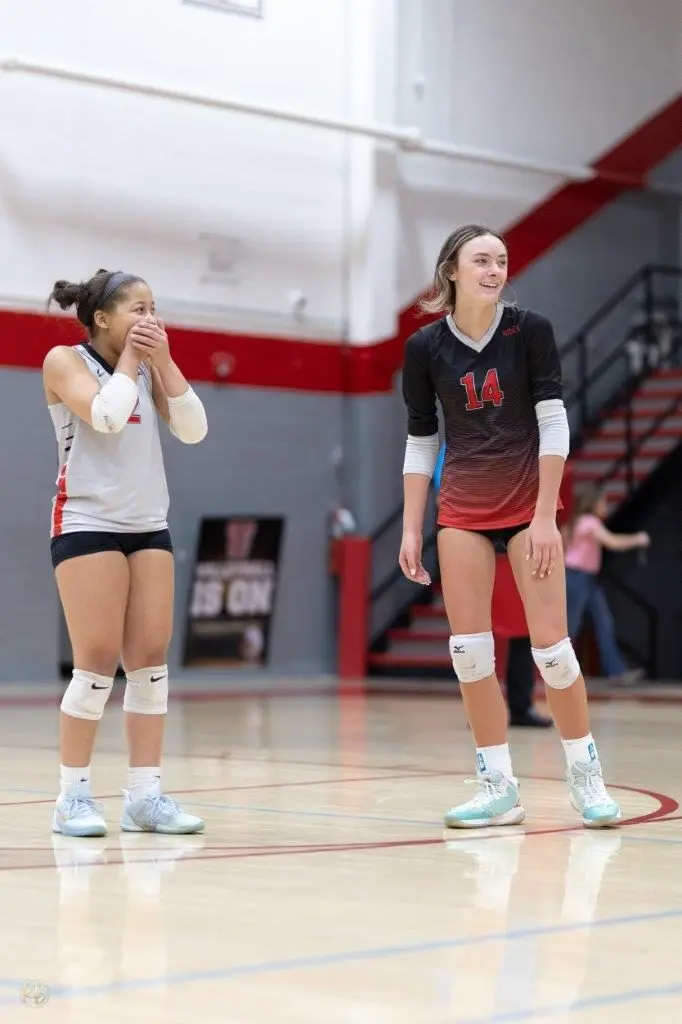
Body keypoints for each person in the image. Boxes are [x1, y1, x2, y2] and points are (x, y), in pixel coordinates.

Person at [399, 224, 621, 829]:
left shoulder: (530, 331)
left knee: (554, 652)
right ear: (451, 270)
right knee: (470, 654)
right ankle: (497, 787)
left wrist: (547, 515)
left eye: (500, 260)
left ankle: (586, 777)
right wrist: (412, 528)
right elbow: (421, 440)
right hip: (462, 510)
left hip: (528, 508)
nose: (494, 270)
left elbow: (554, 423)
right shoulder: (424, 347)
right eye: (481, 260)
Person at [43, 268, 208, 838]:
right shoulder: (65, 360)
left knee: (150, 663)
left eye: (154, 308)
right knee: (95, 663)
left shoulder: (147, 366)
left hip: (148, 525)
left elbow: (194, 430)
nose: (150, 318)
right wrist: (136, 359)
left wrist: (163, 361)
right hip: (86, 522)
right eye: (138, 309)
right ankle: (72, 798)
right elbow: (107, 416)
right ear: (102, 318)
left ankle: (145, 797)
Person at [435, 443, 551, 727]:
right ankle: (482, 710)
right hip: (478, 542)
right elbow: (443, 492)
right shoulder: (458, 441)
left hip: (515, 541)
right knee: (478, 635)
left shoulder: (519, 434)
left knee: (522, 632)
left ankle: (520, 706)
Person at [563, 484, 650, 685]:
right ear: (592, 503)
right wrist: (638, 539)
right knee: (572, 626)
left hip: (585, 579)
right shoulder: (590, 522)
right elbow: (612, 542)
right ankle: (561, 673)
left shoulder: (578, 521)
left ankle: (616, 671)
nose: (605, 506)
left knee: (603, 623)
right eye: (602, 501)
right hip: (577, 578)